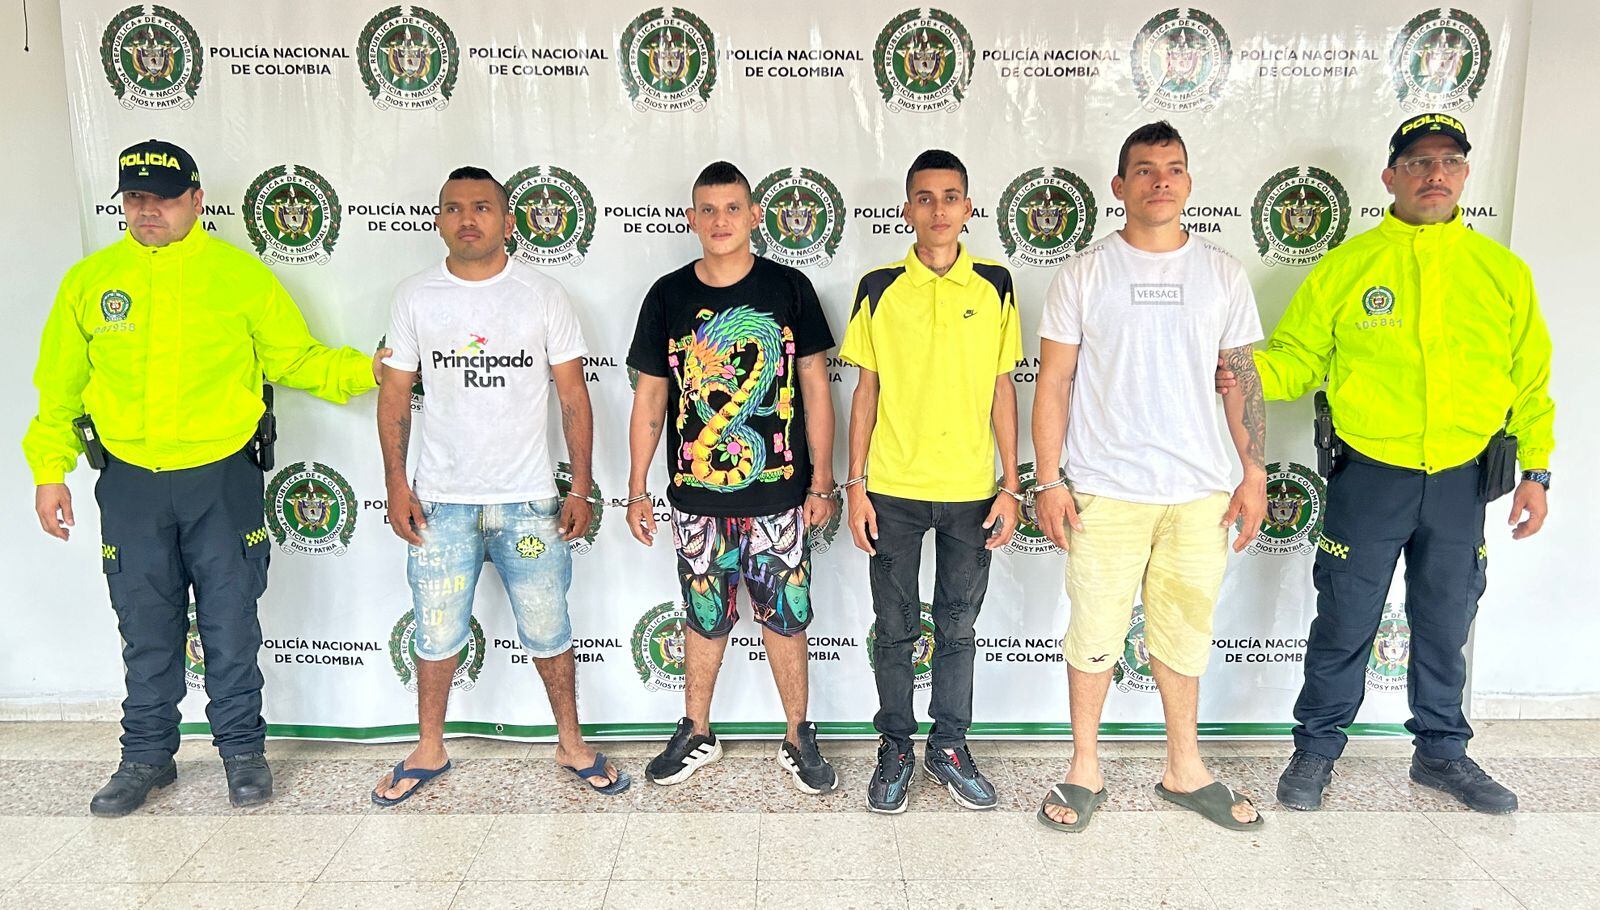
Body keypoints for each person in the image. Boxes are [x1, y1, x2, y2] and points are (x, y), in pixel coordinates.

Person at [24, 139, 387, 816]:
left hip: (220, 480)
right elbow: (58, 392)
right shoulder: (90, 283)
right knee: (145, 623)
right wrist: (51, 472)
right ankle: (146, 758)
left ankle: (243, 753)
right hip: (130, 482)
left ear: (195, 199)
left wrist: (374, 369)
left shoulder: (238, 276)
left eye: (162, 198)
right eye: (135, 198)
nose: (148, 211)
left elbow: (297, 358)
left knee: (229, 621)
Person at [1219, 113, 1555, 814]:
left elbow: (1530, 384)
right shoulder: (1347, 267)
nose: (1435, 174)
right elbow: (1298, 361)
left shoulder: (1502, 274)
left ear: (1465, 175)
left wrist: (1538, 472)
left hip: (1463, 479)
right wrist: (1234, 368)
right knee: (1345, 619)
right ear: (1391, 176)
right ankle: (1315, 750)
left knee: (1444, 620)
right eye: (1419, 162)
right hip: (1370, 476)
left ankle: (1442, 754)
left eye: (1450, 162)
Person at [1030, 121, 1267, 833]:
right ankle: (1083, 768)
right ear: (1119, 186)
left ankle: (1184, 768)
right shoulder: (1084, 273)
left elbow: (1244, 381)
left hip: (1200, 492)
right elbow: (1054, 382)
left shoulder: (1222, 273)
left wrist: (1252, 473)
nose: (1159, 179)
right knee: (1095, 631)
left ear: (1189, 182)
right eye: (1143, 169)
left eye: (1173, 168)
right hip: (1105, 488)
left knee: (1185, 633)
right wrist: (1048, 479)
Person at [370, 166, 628, 805]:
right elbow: (395, 396)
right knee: (434, 632)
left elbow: (574, 394)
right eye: (454, 207)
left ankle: (571, 743)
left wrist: (581, 487)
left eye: (483, 207)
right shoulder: (414, 296)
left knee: (549, 628)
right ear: (437, 220)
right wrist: (395, 486)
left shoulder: (542, 294)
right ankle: (429, 747)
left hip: (530, 504)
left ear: (508, 221)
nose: (468, 218)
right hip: (440, 503)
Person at [624, 161, 840, 794]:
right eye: (708, 210)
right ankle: (696, 729)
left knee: (786, 615)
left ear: (754, 216)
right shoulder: (667, 297)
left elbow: (816, 391)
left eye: (732, 209)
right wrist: (637, 485)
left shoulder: (790, 290)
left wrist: (821, 480)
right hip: (696, 501)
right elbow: (649, 400)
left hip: (780, 497)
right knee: (702, 615)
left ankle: (799, 734)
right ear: (693, 219)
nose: (720, 221)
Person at [841, 149, 1023, 813]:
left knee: (958, 626)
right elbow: (866, 390)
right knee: (893, 627)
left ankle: (949, 745)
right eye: (925, 197)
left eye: (951, 197)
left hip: (973, 489)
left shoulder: (996, 285)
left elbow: (1004, 389)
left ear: (968, 208)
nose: (938, 209)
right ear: (906, 209)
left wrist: (1010, 484)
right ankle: (894, 746)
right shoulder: (878, 287)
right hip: (893, 488)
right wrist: (854, 484)